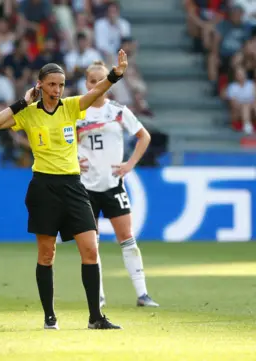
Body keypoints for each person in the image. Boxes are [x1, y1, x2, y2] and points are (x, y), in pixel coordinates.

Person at [0, 50, 129, 331]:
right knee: (46, 254)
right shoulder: (28, 113)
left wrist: (115, 74)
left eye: (61, 85)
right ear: (40, 85)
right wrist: (22, 102)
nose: (57, 89)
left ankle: (95, 317)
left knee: (90, 249)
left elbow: (97, 91)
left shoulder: (71, 107)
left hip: (74, 186)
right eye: (52, 84)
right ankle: (49, 316)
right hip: (44, 187)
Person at [75, 61, 158, 308]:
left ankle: (142, 294)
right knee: (91, 246)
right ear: (86, 83)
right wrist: (72, 159)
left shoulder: (118, 111)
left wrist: (130, 164)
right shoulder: (75, 112)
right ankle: (98, 297)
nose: (97, 84)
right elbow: (59, 141)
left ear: (109, 84)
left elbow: (144, 136)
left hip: (113, 185)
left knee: (127, 238)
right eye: (92, 80)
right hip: (85, 188)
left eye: (102, 79)